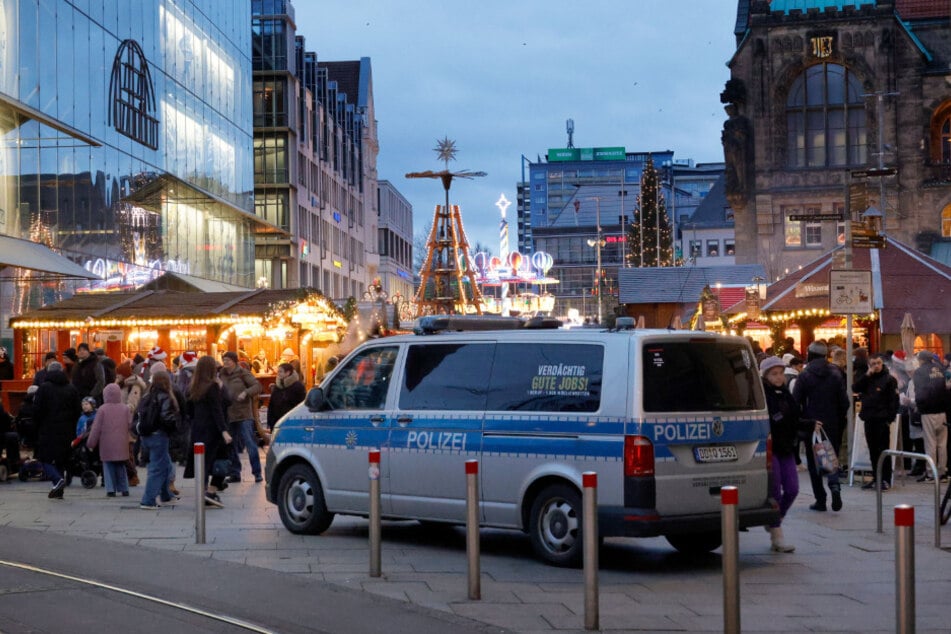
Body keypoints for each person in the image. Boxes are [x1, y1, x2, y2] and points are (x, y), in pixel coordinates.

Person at [760, 356, 813, 552]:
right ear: (766, 376)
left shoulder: (785, 394)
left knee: (792, 489)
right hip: (771, 447)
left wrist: (809, 423)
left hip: (786, 448)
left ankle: (775, 519)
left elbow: (794, 418)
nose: (779, 377)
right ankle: (777, 535)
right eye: (774, 374)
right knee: (774, 490)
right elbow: (772, 419)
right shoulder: (763, 395)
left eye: (781, 373)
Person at [793, 341, 849, 512]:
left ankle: (821, 499)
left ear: (810, 353)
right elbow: (844, 402)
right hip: (833, 424)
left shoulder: (805, 375)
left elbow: (796, 403)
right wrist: (839, 421)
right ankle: (834, 485)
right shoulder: (836, 372)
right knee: (830, 457)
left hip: (813, 424)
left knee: (814, 463)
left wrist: (804, 422)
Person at [185, 355, 232, 507]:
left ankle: (203, 491)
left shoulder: (193, 386)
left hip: (198, 430)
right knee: (222, 461)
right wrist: (224, 431)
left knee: (202, 463)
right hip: (213, 431)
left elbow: (189, 411)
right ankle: (210, 492)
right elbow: (217, 410)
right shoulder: (212, 387)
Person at [33, 361, 81, 499]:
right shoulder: (71, 388)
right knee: (61, 459)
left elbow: (37, 410)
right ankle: (58, 491)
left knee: (44, 458)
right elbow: (77, 410)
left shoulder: (44, 388)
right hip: (67, 429)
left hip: (47, 428)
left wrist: (38, 425)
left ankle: (56, 479)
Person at [853, 353, 900, 490]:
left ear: (882, 363)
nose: (876, 366)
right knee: (872, 450)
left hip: (882, 419)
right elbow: (855, 388)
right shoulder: (867, 379)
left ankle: (885, 479)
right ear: (869, 365)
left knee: (883, 450)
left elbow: (894, 401)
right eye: (873, 364)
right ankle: (876, 477)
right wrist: (867, 375)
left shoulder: (889, 379)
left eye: (878, 363)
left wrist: (889, 419)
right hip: (869, 418)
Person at [136, 369, 180, 509]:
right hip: (159, 435)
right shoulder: (165, 396)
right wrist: (175, 427)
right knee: (157, 468)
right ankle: (148, 500)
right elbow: (167, 417)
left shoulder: (147, 395)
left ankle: (166, 494)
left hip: (146, 435)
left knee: (166, 464)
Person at [219, 351, 263, 483]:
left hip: (243, 414)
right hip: (229, 414)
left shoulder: (243, 373)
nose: (225, 362)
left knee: (250, 444)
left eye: (228, 360)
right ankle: (235, 473)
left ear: (234, 361)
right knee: (230, 445)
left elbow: (257, 386)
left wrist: (246, 392)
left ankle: (257, 473)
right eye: (224, 360)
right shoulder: (221, 374)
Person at [908, 350, 951, 482]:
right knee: (942, 444)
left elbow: (919, 392)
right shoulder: (940, 368)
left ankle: (931, 473)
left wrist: (918, 406)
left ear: (921, 360)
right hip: (942, 411)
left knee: (930, 443)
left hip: (928, 411)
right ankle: (942, 472)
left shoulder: (920, 372)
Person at [86, 383, 133, 497]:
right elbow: (130, 425)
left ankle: (111, 489)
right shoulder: (125, 408)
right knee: (121, 466)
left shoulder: (102, 409)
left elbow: (96, 428)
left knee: (108, 466)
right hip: (122, 444)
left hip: (107, 445)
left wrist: (91, 443)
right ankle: (124, 488)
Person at [266, 362, 306, 431]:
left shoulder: (297, 387)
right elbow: (272, 404)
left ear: (288, 373)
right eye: (278, 371)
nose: (278, 373)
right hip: (277, 422)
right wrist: (270, 421)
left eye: (280, 371)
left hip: (292, 421)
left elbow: (301, 405)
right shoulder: (278, 386)